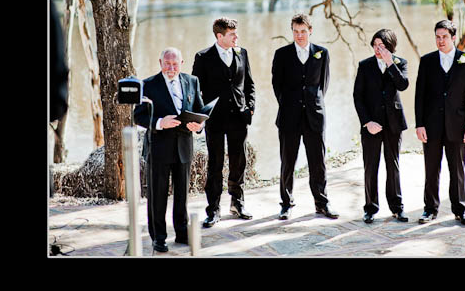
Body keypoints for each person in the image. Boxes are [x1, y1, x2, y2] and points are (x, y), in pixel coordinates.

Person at [134, 47, 205, 253]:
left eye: (175, 64)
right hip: (158, 148)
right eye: (167, 64)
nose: (171, 68)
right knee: (157, 195)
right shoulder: (147, 85)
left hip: (184, 147)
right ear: (160, 63)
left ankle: (182, 233)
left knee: (182, 195)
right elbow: (138, 116)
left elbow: (199, 110)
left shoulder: (192, 81)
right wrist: (159, 122)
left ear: (181, 64)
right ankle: (158, 237)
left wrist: (199, 125)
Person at [271, 13, 338, 220]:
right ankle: (286, 204)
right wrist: (289, 104)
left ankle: (321, 203)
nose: (299, 35)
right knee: (287, 162)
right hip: (289, 117)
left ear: (310, 31)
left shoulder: (322, 53)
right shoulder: (282, 54)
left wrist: (312, 102)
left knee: (318, 162)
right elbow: (277, 85)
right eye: (295, 31)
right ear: (292, 31)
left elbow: (323, 85)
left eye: (303, 31)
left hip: (314, 116)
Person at [414, 20, 465, 226]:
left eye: (444, 37)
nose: (440, 40)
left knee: (457, 170)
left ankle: (460, 209)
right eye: (437, 37)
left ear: (453, 38)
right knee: (431, 170)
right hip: (431, 126)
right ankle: (430, 209)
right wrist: (419, 124)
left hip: (458, 126)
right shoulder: (427, 61)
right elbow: (419, 96)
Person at [192, 17, 256, 228]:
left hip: (239, 118)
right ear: (219, 36)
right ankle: (213, 209)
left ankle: (237, 203)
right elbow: (196, 91)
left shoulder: (242, 53)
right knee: (215, 164)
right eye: (232, 34)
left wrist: (250, 107)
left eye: (236, 33)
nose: (237, 37)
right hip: (215, 120)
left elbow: (249, 84)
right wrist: (199, 117)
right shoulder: (203, 57)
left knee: (239, 162)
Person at [353, 29, 410, 224]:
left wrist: (389, 63)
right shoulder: (365, 66)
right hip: (372, 124)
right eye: (375, 45)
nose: (378, 49)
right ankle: (370, 208)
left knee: (393, 166)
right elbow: (357, 97)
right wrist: (367, 122)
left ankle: (397, 208)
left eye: (382, 46)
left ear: (391, 47)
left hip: (393, 123)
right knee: (371, 166)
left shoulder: (400, 63)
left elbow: (403, 85)